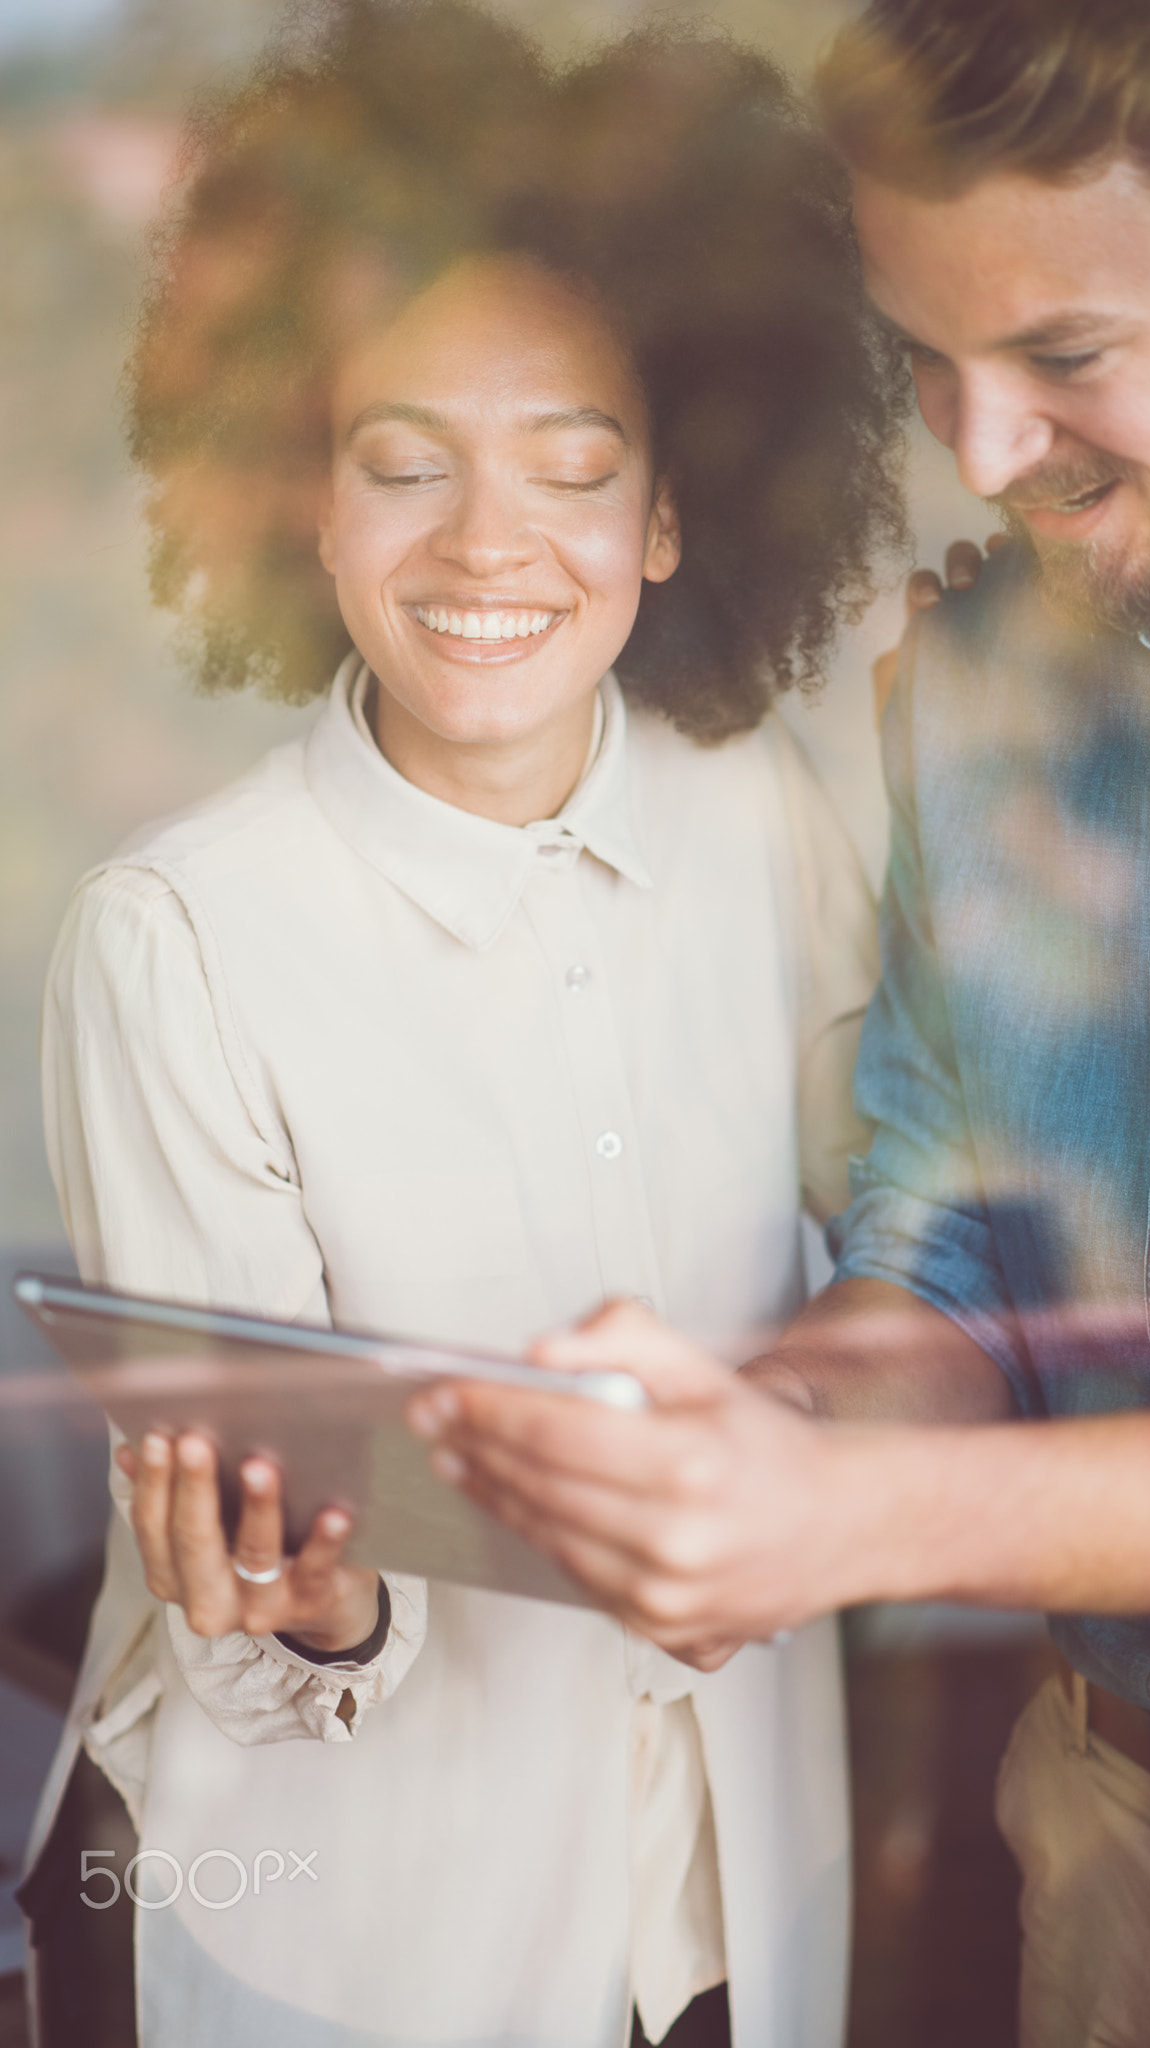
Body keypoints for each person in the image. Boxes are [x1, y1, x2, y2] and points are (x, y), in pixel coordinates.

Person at [413, 1, 1150, 2041]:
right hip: (1099, 1826)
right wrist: (765, 1434)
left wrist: (864, 1517)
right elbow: (950, 1239)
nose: (984, 449)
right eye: (928, 360)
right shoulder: (980, 673)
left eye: (1062, 357)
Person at [21, 7, 912, 2046]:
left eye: (575, 469)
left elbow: (912, 1245)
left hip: (726, 1908)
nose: (489, 543)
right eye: (403, 464)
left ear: (670, 513)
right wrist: (311, 1593)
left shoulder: (764, 815)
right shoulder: (178, 937)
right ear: (300, 503)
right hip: (367, 1937)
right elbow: (255, 1561)